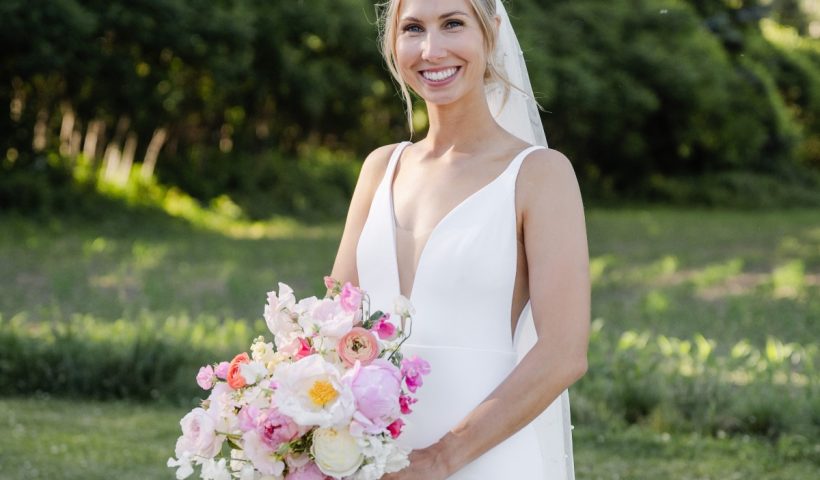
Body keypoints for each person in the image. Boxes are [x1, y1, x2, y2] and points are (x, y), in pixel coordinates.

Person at [330, 0, 590, 478]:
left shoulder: (538, 175)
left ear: (490, 31)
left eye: (453, 24)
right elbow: (329, 328)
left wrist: (442, 458)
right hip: (372, 461)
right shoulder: (379, 168)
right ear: (394, 44)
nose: (432, 49)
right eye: (413, 29)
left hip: (487, 457)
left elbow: (563, 353)